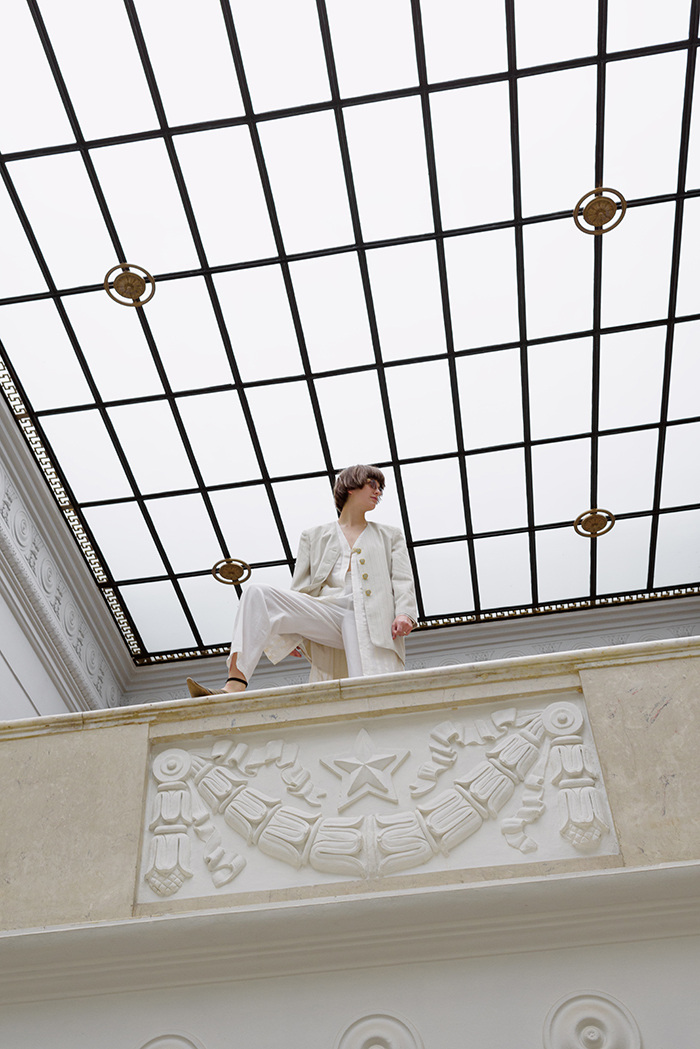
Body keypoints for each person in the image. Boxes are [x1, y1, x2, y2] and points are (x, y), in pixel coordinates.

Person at [186, 464, 417, 696]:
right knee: (256, 593)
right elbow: (299, 588)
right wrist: (290, 631)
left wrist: (405, 613)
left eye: (380, 488)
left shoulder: (390, 535)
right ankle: (234, 684)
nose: (378, 492)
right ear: (350, 487)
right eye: (372, 485)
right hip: (327, 610)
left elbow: (402, 579)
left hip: (369, 614)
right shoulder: (313, 536)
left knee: (365, 686)